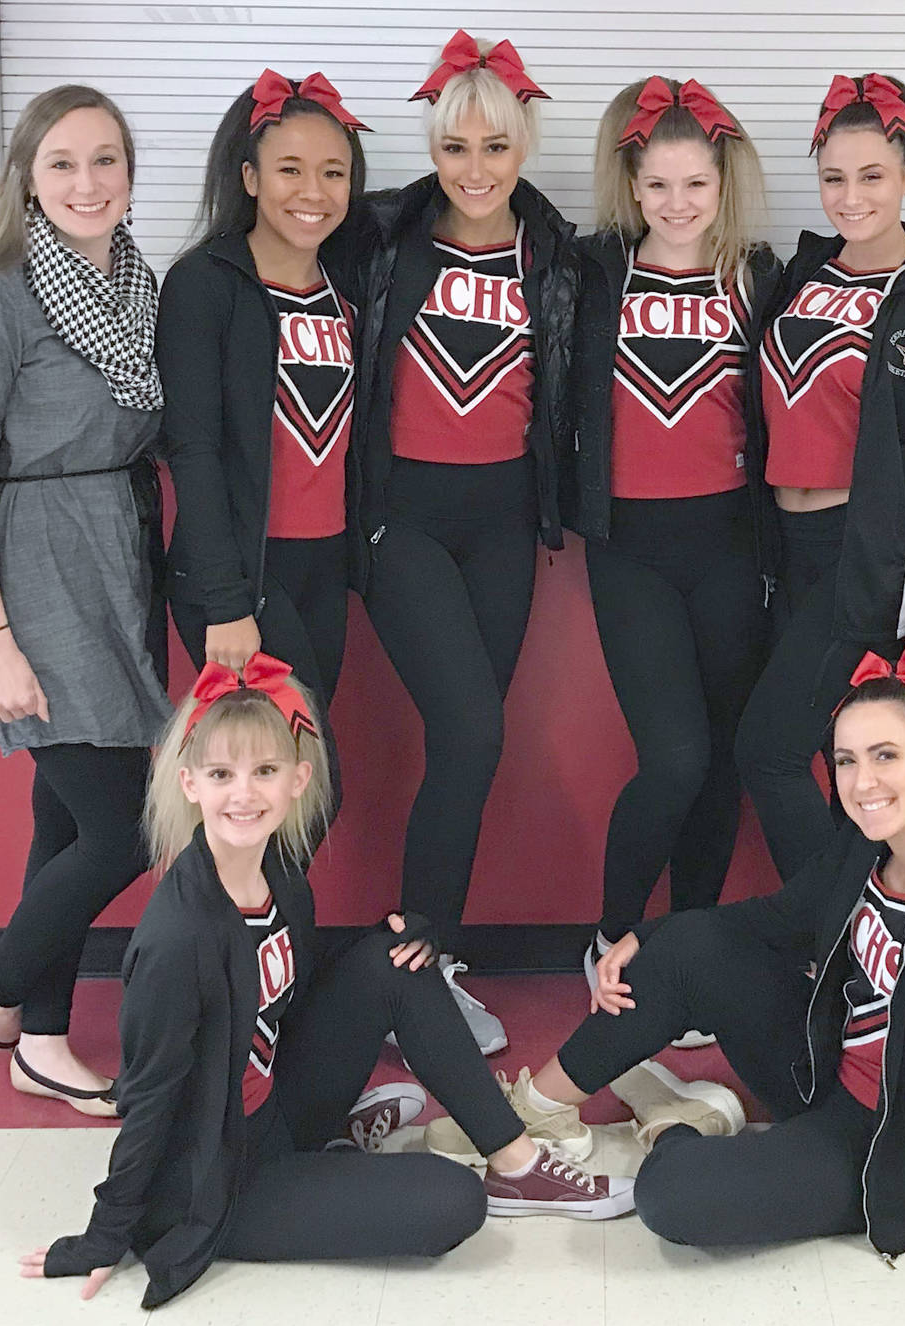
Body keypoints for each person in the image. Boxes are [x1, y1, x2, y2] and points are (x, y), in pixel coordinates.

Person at [426, 647, 905, 1277]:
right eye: (845, 760)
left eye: (885, 756)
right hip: (818, 1069)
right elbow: (783, 918)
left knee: (672, 1201)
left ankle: (676, 1120)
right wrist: (651, 936)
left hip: (882, 1142)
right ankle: (534, 1111)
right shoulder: (868, 843)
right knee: (687, 945)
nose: (861, 781)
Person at [19, 655, 633, 1309]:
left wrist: (396, 936)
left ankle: (516, 1167)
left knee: (397, 955)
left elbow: (286, 980)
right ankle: (330, 1158)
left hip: (273, 1109)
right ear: (190, 782)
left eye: (264, 772)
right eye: (222, 774)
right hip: (221, 1178)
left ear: (297, 780)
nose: (243, 794)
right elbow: (147, 1100)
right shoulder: (178, 940)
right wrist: (104, 1234)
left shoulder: (278, 872)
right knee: (450, 1202)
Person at [0, 85, 172, 1115]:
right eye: (62, 162)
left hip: (116, 553)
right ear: (26, 175)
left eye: (105, 160)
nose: (86, 182)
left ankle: (45, 1041)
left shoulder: (131, 286)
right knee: (127, 828)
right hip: (34, 572)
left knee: (65, 825)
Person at [344, 31, 577, 1054]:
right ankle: (420, 964)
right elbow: (264, 260)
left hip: (502, 524)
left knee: (466, 750)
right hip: (404, 523)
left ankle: (425, 964)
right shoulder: (381, 235)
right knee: (473, 734)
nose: (474, 170)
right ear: (430, 149)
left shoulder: (557, 250)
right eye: (454, 148)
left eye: (494, 147)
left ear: (523, 144)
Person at [734, 73, 905, 881]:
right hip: (786, 551)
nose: (850, 197)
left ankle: (831, 932)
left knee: (767, 753)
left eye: (872, 176)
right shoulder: (799, 273)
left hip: (865, 560)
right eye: (833, 177)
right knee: (836, 761)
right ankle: (861, 940)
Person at [569, 77, 780, 1043]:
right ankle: (612, 933)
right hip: (631, 552)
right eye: (659, 184)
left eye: (696, 183)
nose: (679, 203)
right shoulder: (590, 271)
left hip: (733, 545)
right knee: (675, 756)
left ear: (724, 182)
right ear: (632, 183)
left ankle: (688, 941)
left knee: (726, 758)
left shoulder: (762, 273)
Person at [156, 69, 371, 832]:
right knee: (305, 788)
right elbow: (193, 448)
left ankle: (259, 948)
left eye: (333, 171)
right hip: (241, 578)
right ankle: (222, 946)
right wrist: (227, 600)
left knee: (285, 797)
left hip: (322, 568)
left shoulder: (348, 286)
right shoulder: (204, 284)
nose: (312, 190)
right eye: (288, 169)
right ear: (248, 177)